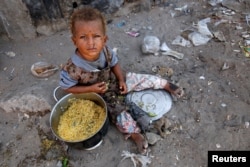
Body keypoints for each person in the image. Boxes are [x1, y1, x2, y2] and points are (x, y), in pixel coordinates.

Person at [59, 7, 184, 154]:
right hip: (101, 94)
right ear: (74, 41)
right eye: (83, 37)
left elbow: (114, 63)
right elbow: (67, 88)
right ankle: (135, 134)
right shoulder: (72, 68)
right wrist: (91, 90)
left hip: (114, 80)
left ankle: (166, 84)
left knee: (137, 78)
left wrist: (121, 80)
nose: (91, 42)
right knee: (118, 114)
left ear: (104, 39)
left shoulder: (105, 50)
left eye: (96, 36)